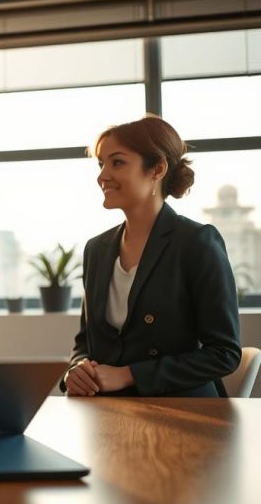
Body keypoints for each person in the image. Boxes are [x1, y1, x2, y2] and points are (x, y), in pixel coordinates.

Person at [62, 115, 241, 397]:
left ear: (157, 168)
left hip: (185, 413)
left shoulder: (196, 242)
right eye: (101, 164)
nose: (102, 175)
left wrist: (128, 375)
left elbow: (224, 353)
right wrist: (78, 369)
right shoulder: (96, 249)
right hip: (108, 412)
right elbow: (85, 342)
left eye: (117, 162)